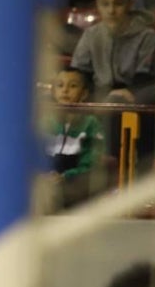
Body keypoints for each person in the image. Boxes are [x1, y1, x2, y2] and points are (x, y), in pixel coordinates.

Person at [41, 66, 106, 211]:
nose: (65, 90)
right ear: (53, 91)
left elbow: (92, 163)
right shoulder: (43, 122)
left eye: (73, 86)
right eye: (60, 85)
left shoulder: (91, 124)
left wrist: (65, 176)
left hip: (73, 182)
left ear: (84, 94)